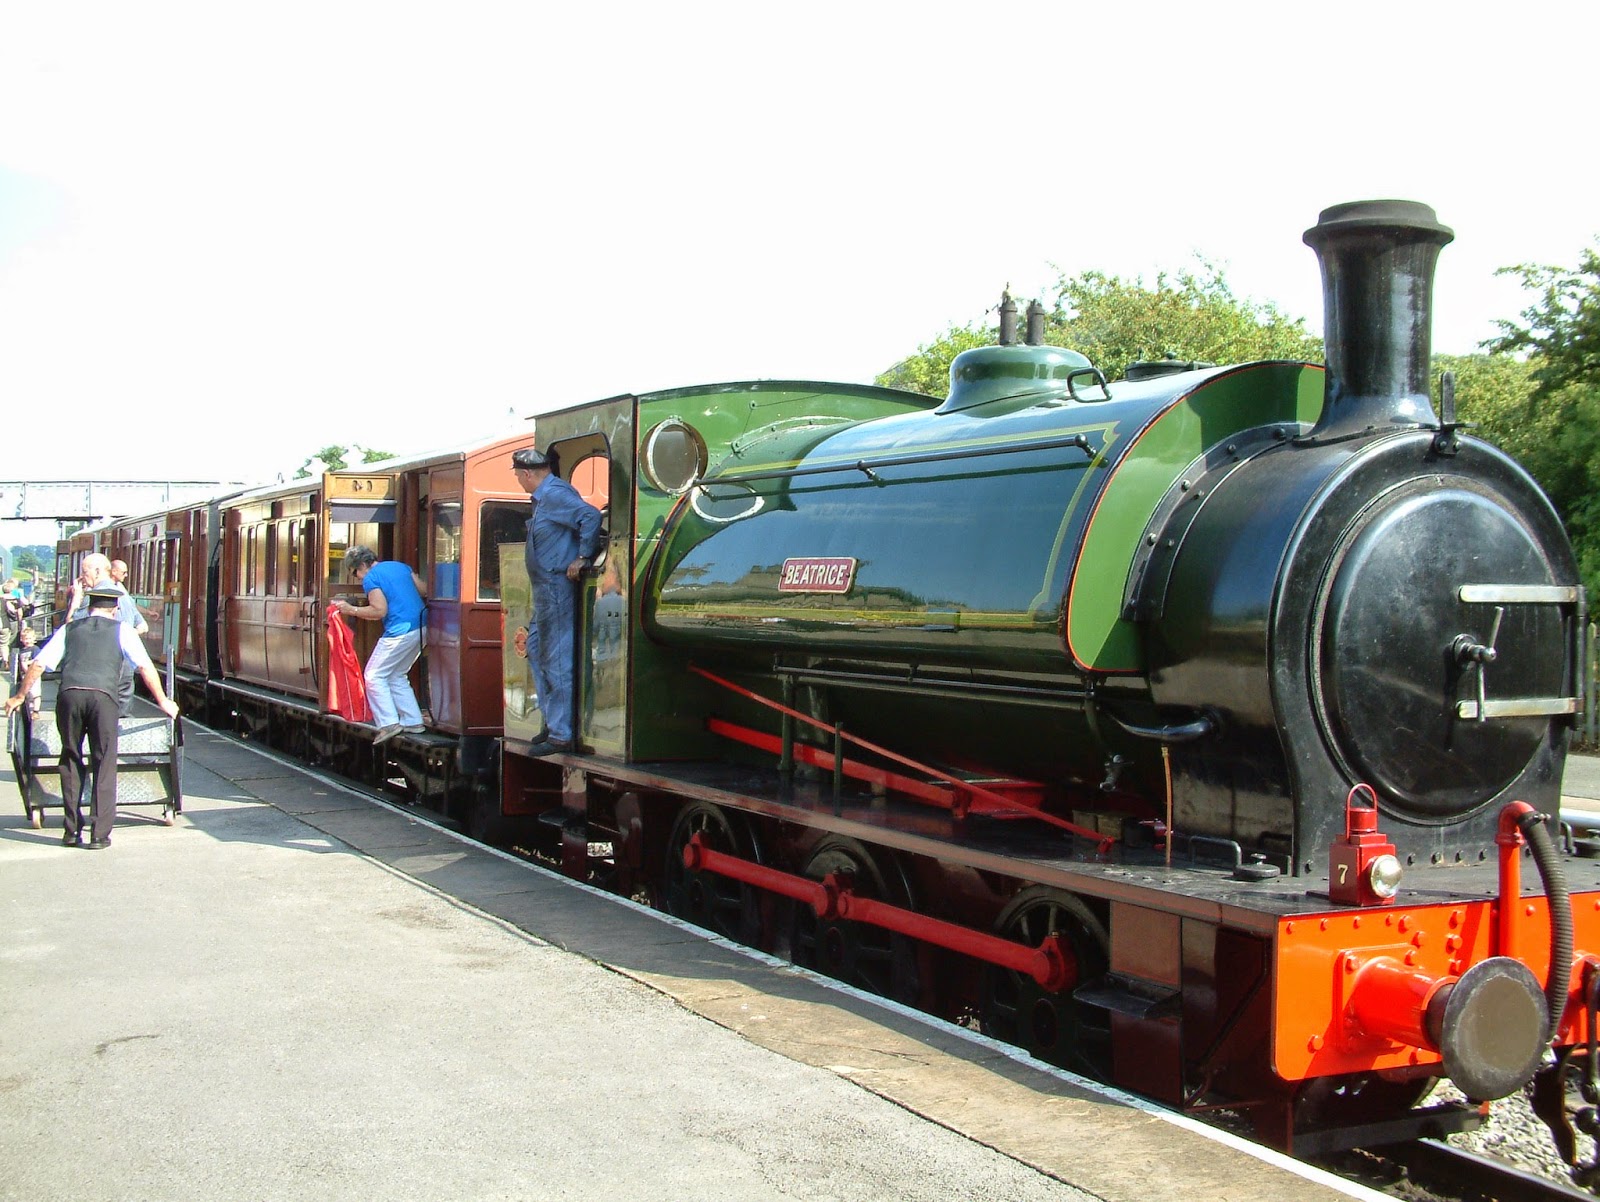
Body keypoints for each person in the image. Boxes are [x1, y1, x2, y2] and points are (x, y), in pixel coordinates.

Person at [5, 586, 181, 848]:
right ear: (115, 609)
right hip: (103, 698)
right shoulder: (123, 630)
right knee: (104, 762)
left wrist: (20, 696)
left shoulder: (69, 630)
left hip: (70, 696)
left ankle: (71, 831)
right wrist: (163, 701)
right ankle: (99, 834)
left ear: (89, 608)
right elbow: (144, 667)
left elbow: (39, 664)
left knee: (71, 758)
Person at [511, 446, 602, 755]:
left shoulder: (554, 495)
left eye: (518, 477)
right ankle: (551, 722)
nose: (518, 482)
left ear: (526, 474)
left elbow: (589, 516)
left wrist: (582, 556)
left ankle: (561, 733)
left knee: (557, 658)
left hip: (555, 587)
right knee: (536, 649)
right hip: (544, 589)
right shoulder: (545, 496)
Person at [332, 545, 427, 745]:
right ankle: (413, 721)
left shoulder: (371, 578)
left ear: (364, 564)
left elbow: (379, 610)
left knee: (374, 676)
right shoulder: (400, 566)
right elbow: (424, 590)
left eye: (355, 572)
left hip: (399, 631)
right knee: (396, 674)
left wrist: (351, 610)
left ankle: (389, 723)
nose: (357, 577)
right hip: (422, 626)